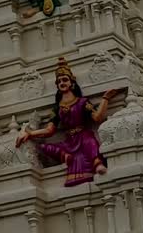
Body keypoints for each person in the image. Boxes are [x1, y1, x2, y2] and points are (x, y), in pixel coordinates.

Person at [16, 58, 119, 187]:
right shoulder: (58, 108)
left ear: (72, 82)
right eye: (59, 81)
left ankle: (97, 163)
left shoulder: (82, 102)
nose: (62, 83)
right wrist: (30, 134)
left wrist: (105, 99)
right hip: (69, 141)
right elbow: (50, 130)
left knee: (90, 142)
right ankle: (65, 156)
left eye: (65, 79)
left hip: (83, 135)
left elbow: (97, 118)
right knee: (42, 147)